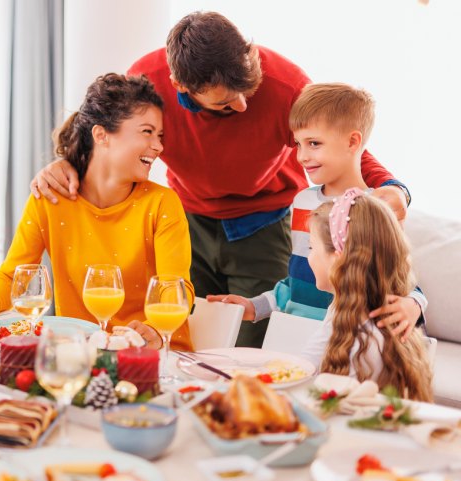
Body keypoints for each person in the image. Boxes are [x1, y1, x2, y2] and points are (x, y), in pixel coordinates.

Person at [30, 11, 411, 348]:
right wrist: (68, 162)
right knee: (189, 338)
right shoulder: (148, 80)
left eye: (248, 91)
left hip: (263, 226)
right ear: (183, 88)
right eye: (226, 103)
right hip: (186, 223)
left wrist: (394, 187)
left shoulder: (288, 86)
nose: (243, 105)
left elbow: (343, 144)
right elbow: (107, 130)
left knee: (251, 347)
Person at [0, 73, 194, 350]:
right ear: (101, 135)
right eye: (147, 132)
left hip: (154, 356)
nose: (158, 146)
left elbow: (175, 288)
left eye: (160, 135)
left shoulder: (162, 203)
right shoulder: (49, 199)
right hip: (79, 356)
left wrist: (155, 328)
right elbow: (12, 279)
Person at [207, 83, 425, 337]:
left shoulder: (376, 209)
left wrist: (415, 304)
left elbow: (399, 278)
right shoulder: (302, 203)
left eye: (313, 143)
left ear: (352, 142)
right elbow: (295, 282)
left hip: (349, 341)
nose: (301, 156)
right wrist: (255, 306)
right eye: (298, 144)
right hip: (292, 336)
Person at [301, 189, 432, 402]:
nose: (309, 257)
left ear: (337, 259)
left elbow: (301, 382)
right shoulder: (347, 313)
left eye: (311, 247)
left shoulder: (361, 339)